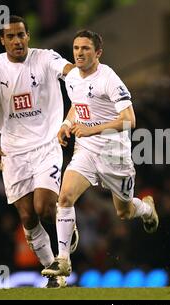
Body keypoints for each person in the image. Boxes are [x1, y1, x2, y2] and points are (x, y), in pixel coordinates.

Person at [0, 15, 78, 288]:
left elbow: (70, 71)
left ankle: (68, 227)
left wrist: (76, 77)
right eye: (11, 37)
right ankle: (54, 274)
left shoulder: (45, 58)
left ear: (29, 36)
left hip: (47, 145)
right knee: (27, 217)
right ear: (2, 40)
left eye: (21, 35)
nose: (17, 41)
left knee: (43, 207)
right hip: (13, 154)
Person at [41, 30, 159, 277]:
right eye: (76, 48)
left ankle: (147, 208)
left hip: (114, 154)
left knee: (123, 212)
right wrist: (65, 124)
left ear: (98, 53)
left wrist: (91, 128)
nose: (80, 53)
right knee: (64, 198)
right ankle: (63, 259)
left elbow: (130, 120)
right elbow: (77, 103)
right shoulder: (72, 77)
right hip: (86, 150)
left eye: (85, 48)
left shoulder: (109, 79)